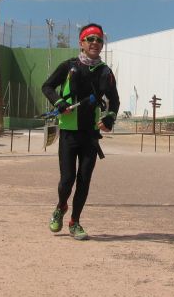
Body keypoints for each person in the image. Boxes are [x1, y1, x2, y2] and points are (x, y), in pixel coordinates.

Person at [42, 23, 120, 240]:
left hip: (90, 135)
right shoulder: (69, 66)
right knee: (67, 180)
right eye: (90, 39)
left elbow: (114, 101)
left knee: (84, 180)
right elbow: (47, 86)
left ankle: (75, 222)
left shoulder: (105, 72)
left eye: (99, 40)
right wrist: (58, 102)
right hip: (68, 133)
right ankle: (61, 206)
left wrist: (109, 117)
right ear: (81, 43)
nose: (95, 43)